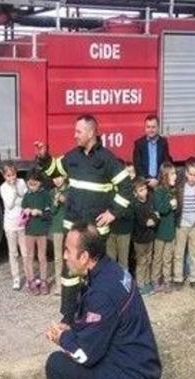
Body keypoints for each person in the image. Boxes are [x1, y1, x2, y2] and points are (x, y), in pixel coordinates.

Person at [44, 222, 163, 379]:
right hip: (142, 378)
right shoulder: (112, 271)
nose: (64, 255)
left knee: (58, 365)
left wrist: (62, 338)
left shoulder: (102, 292)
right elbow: (100, 327)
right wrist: (73, 329)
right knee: (79, 376)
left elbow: (86, 355)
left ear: (85, 256)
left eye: (68, 249)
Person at [57, 115, 133, 324]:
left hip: (94, 233)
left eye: (78, 131)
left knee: (92, 273)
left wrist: (113, 212)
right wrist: (44, 157)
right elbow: (54, 170)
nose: (75, 135)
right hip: (72, 229)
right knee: (70, 273)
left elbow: (127, 188)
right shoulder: (72, 156)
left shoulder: (108, 159)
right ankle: (68, 316)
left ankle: (93, 314)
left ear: (91, 133)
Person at [172, 161, 195, 289]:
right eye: (190, 174)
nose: (193, 177)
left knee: (194, 253)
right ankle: (178, 278)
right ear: (186, 173)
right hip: (182, 224)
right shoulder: (180, 186)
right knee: (179, 253)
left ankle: (193, 278)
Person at [22, 168, 52, 295]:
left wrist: (39, 212)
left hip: (41, 230)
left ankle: (44, 281)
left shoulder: (45, 195)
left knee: (42, 257)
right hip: (29, 230)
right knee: (29, 256)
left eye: (35, 184)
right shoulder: (27, 196)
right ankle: (30, 281)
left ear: (40, 183)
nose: (32, 187)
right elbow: (22, 214)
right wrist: (26, 211)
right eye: (30, 184)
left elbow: (49, 214)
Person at [0, 161, 28, 291]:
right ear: (4, 176)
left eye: (13, 174)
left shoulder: (21, 182)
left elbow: (26, 198)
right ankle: (16, 277)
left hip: (22, 222)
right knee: (13, 253)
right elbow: (9, 205)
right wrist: (15, 191)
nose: (12, 178)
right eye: (8, 176)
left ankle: (29, 276)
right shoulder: (3, 188)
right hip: (10, 224)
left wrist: (19, 193)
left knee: (25, 252)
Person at [151, 162, 177, 291]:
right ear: (165, 175)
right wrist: (170, 205)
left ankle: (167, 281)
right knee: (158, 258)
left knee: (168, 258)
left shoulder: (172, 190)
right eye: (172, 174)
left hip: (170, 231)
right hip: (160, 232)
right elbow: (160, 208)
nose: (175, 176)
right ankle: (156, 280)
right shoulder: (159, 191)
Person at [131, 178, 159, 295]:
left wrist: (153, 220)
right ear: (135, 193)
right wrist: (150, 221)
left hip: (150, 236)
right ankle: (140, 283)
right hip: (140, 238)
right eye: (141, 190)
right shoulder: (136, 205)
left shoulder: (150, 201)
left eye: (145, 189)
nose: (144, 192)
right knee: (141, 261)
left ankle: (147, 281)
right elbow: (142, 221)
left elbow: (156, 216)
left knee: (148, 259)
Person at [106, 164, 135, 270]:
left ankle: (124, 285)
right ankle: (112, 285)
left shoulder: (130, 191)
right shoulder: (109, 189)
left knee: (123, 262)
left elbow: (131, 212)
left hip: (124, 231)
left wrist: (116, 213)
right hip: (110, 230)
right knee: (110, 261)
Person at [132, 115, 171, 188]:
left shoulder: (163, 143)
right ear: (145, 128)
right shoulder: (139, 144)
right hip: (144, 183)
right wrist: (148, 179)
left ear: (158, 128)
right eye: (148, 127)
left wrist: (157, 179)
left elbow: (166, 163)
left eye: (153, 127)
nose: (151, 130)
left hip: (159, 183)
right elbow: (137, 165)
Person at [49, 173, 69, 296]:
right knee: (58, 258)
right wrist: (55, 202)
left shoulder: (70, 190)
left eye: (59, 177)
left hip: (68, 227)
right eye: (54, 178)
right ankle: (59, 285)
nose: (57, 180)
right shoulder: (52, 192)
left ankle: (70, 284)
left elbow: (73, 207)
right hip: (57, 227)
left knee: (69, 256)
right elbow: (52, 211)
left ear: (65, 177)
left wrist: (65, 200)